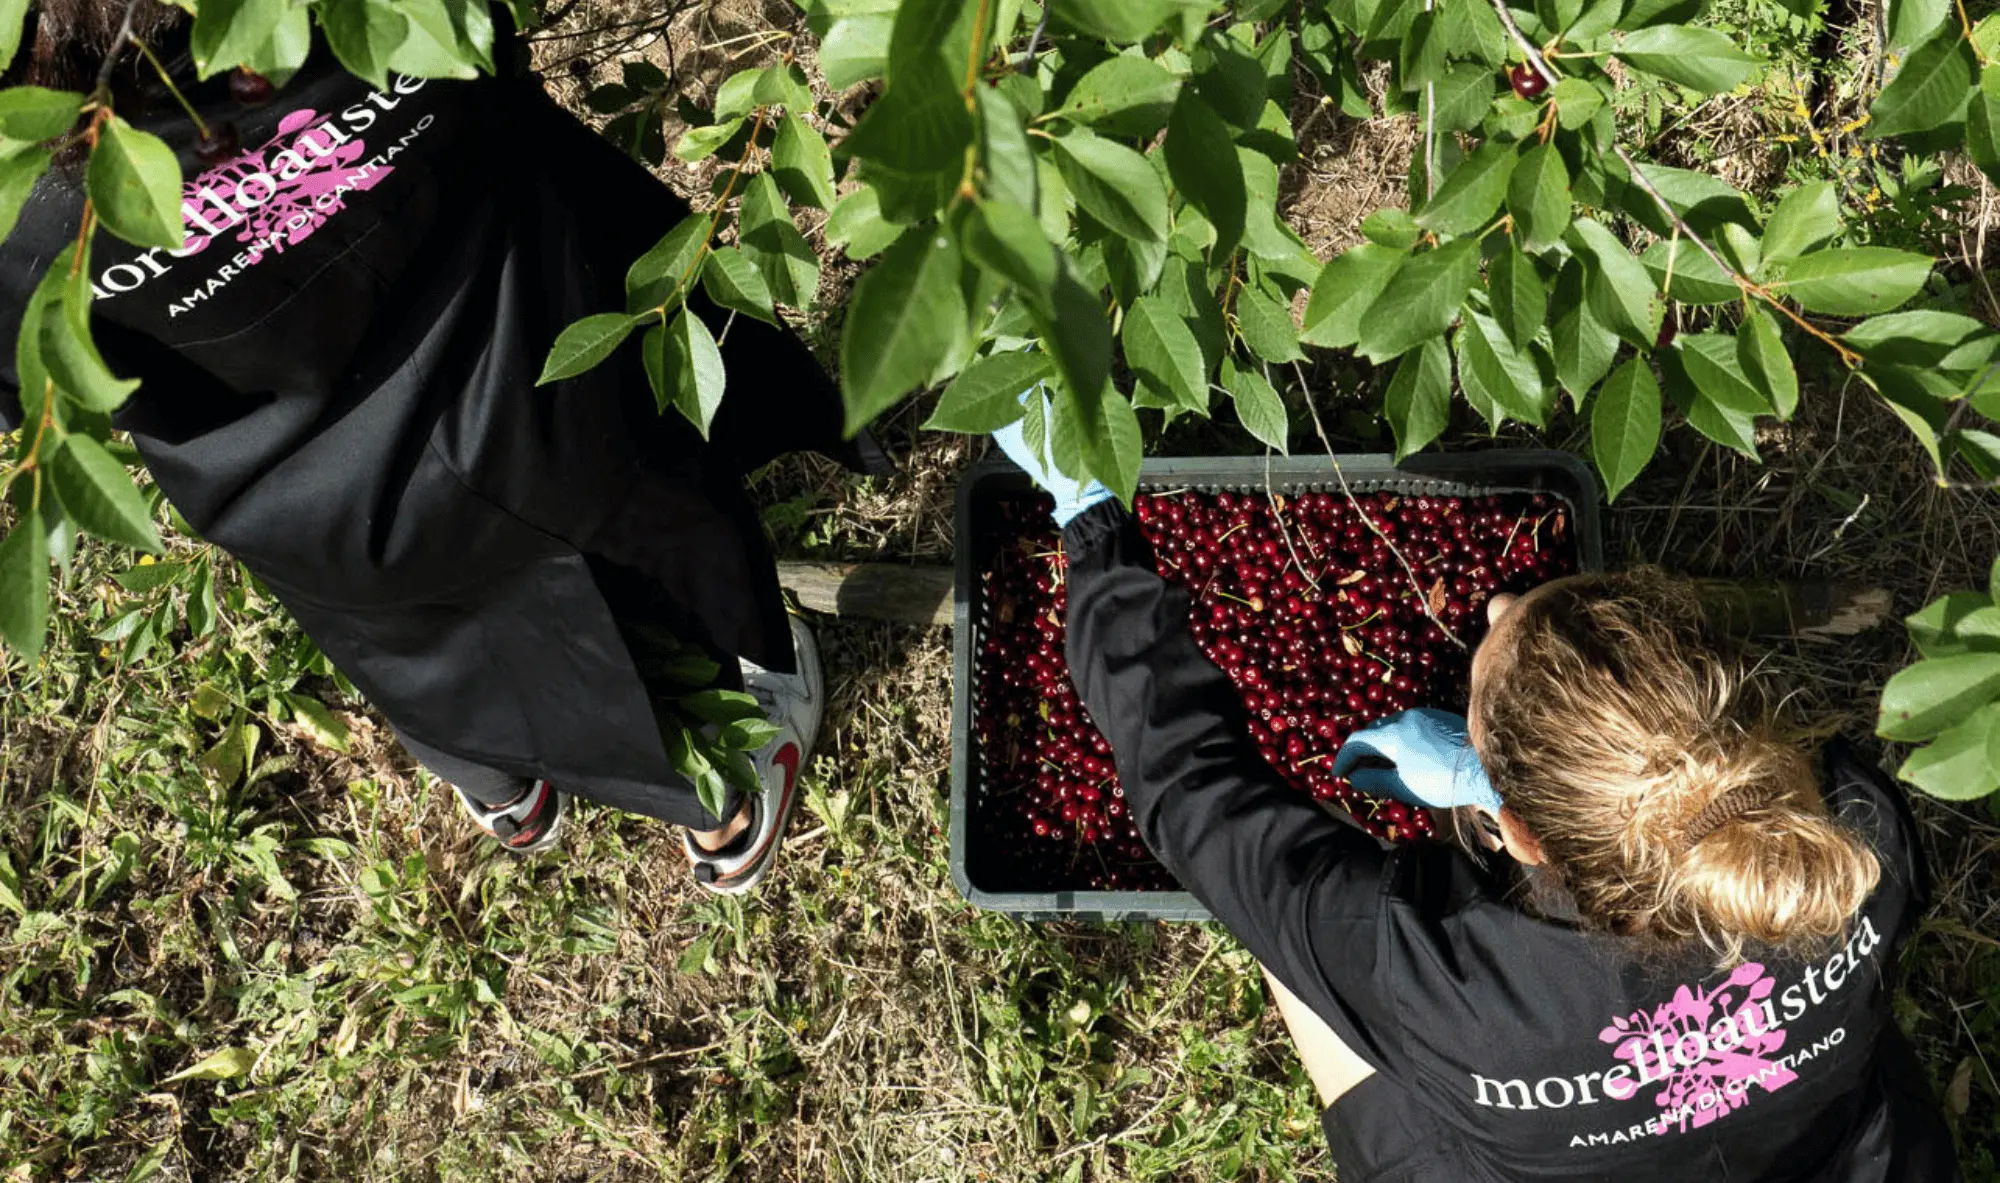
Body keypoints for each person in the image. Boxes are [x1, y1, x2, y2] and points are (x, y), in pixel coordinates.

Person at [0, 1, 885, 891]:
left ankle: (505, 789)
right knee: (670, 564)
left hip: (318, 510)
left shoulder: (13, 191)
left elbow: (28, 383)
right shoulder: (360, 13)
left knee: (426, 658)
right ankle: (723, 799)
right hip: (553, 390)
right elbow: (495, 65)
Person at [993, 401, 1957, 1181]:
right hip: (1854, 1159)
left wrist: (1093, 518)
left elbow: (1193, 791)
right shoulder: (1853, 837)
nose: (1495, 601)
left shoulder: (1441, 988)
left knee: (1292, 920)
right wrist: (1489, 771)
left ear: (1521, 833)